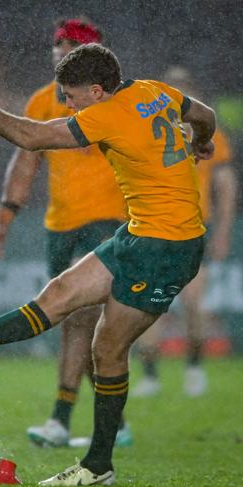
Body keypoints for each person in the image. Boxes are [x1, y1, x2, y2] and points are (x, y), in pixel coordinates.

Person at [0, 43, 215, 485]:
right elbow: (205, 115)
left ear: (97, 91)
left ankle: (98, 467)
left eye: (72, 94)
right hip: (139, 235)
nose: (67, 103)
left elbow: (32, 137)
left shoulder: (105, 115)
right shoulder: (153, 91)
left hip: (167, 248)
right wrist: (202, 143)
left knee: (107, 349)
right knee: (57, 296)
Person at [0, 18, 131, 448]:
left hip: (109, 221)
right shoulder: (42, 102)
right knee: (80, 325)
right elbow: (25, 161)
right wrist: (4, 219)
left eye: (70, 44)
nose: (58, 49)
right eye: (57, 43)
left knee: (82, 319)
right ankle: (114, 422)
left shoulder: (116, 100)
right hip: (60, 225)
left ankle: (60, 419)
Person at [132, 66, 237, 398]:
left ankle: (193, 367)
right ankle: (150, 375)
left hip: (193, 228)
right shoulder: (144, 131)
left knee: (193, 304)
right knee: (147, 307)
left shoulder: (208, 133)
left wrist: (222, 232)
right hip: (153, 228)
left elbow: (226, 184)